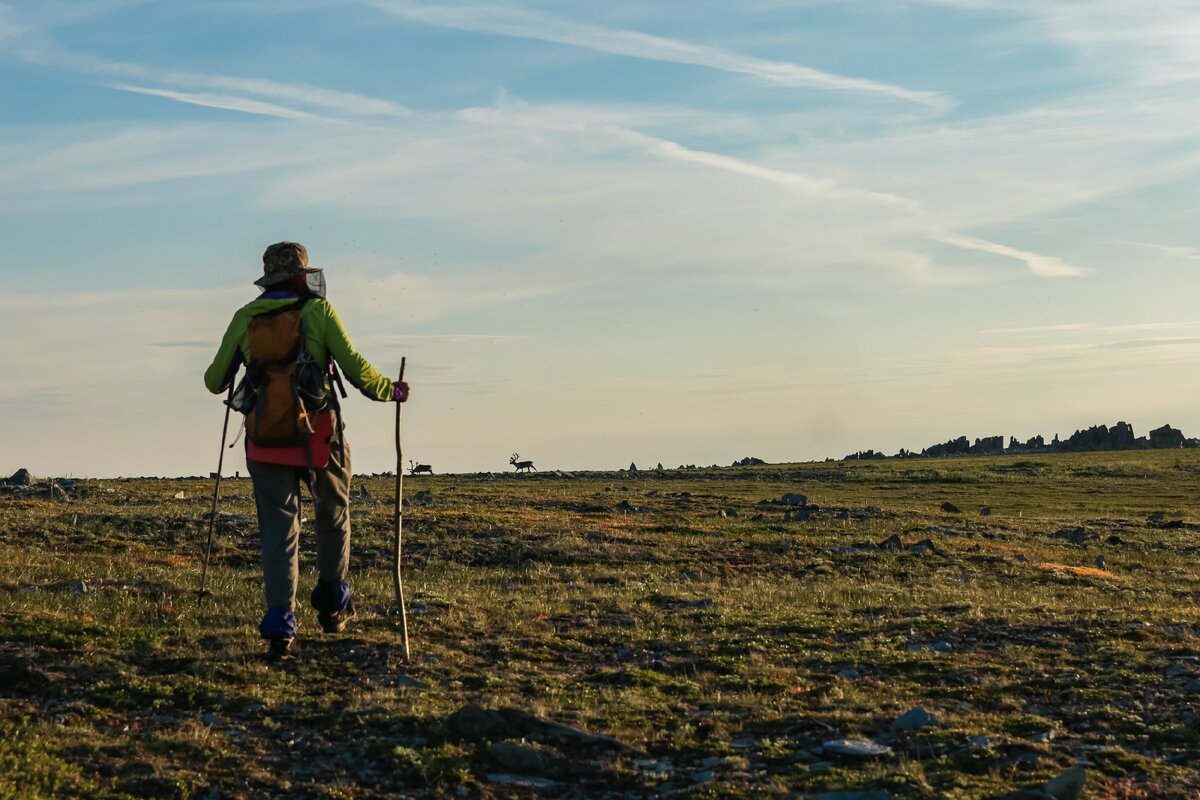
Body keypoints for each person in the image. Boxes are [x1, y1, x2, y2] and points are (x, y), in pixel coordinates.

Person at [204, 242, 408, 659]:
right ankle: (334, 602)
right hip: (319, 436)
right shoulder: (320, 312)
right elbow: (357, 370)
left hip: (264, 441)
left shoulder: (245, 317)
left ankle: (280, 624)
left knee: (279, 532)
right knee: (333, 515)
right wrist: (394, 391)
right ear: (303, 275)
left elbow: (214, 381)